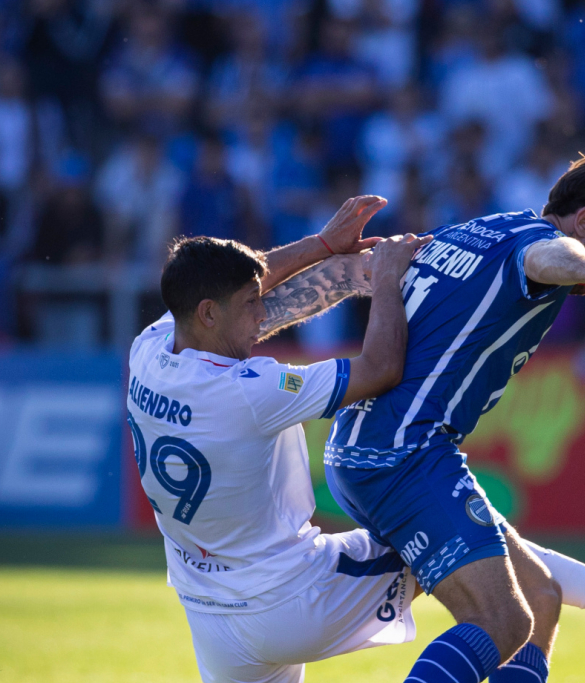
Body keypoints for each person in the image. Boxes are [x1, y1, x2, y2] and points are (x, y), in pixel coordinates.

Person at [321, 155, 585, 683]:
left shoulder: (479, 228)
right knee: (502, 619)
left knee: (540, 599)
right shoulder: (541, 246)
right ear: (584, 220)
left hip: (359, 447)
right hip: (404, 453)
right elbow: (548, 257)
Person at [126, 195, 432, 683]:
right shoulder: (248, 390)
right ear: (208, 314)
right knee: (460, 538)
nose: (262, 313)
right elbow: (380, 369)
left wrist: (322, 245)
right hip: (287, 594)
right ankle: (579, 596)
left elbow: (238, 283)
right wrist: (388, 280)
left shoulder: (149, 348)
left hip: (206, 606)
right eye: (251, 305)